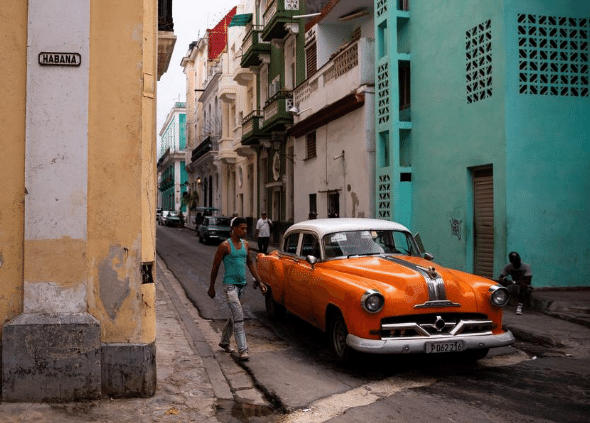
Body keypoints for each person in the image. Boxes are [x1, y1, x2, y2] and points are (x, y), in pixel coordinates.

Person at [208, 217, 267, 361]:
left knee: (234, 316)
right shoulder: (224, 246)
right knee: (239, 317)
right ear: (234, 228)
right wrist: (211, 287)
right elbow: (215, 267)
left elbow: (250, 264)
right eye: (242, 228)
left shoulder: (246, 245)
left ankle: (224, 342)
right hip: (230, 286)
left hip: (242, 286)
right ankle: (243, 350)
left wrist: (260, 282)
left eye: (246, 228)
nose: (245, 231)